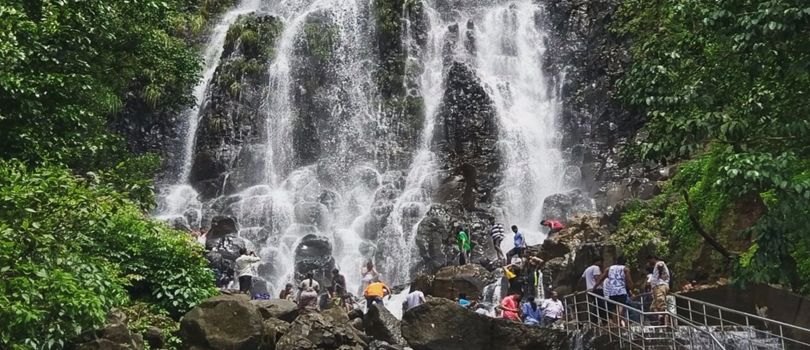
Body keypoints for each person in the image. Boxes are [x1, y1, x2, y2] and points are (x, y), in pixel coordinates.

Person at [594, 256, 634, 326]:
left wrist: (594, 287)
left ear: (616, 261)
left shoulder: (609, 269)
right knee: (620, 308)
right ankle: (619, 324)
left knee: (613, 309)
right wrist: (632, 290)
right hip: (621, 291)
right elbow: (629, 281)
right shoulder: (625, 269)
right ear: (625, 263)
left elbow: (601, 278)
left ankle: (616, 324)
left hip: (611, 292)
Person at [647, 256, 671, 325]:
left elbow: (661, 265)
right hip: (656, 287)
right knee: (653, 307)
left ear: (654, 259)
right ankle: (661, 317)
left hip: (660, 285)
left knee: (661, 303)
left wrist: (660, 274)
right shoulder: (655, 266)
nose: (649, 262)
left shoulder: (659, 263)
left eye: (650, 260)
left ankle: (666, 322)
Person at [581, 257, 606, 322]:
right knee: (601, 305)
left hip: (590, 290)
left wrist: (578, 289)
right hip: (596, 289)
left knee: (597, 304)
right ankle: (603, 321)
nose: (601, 264)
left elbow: (581, 279)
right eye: (601, 262)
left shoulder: (587, 269)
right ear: (597, 261)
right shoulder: (596, 268)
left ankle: (596, 320)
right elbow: (597, 278)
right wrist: (600, 286)